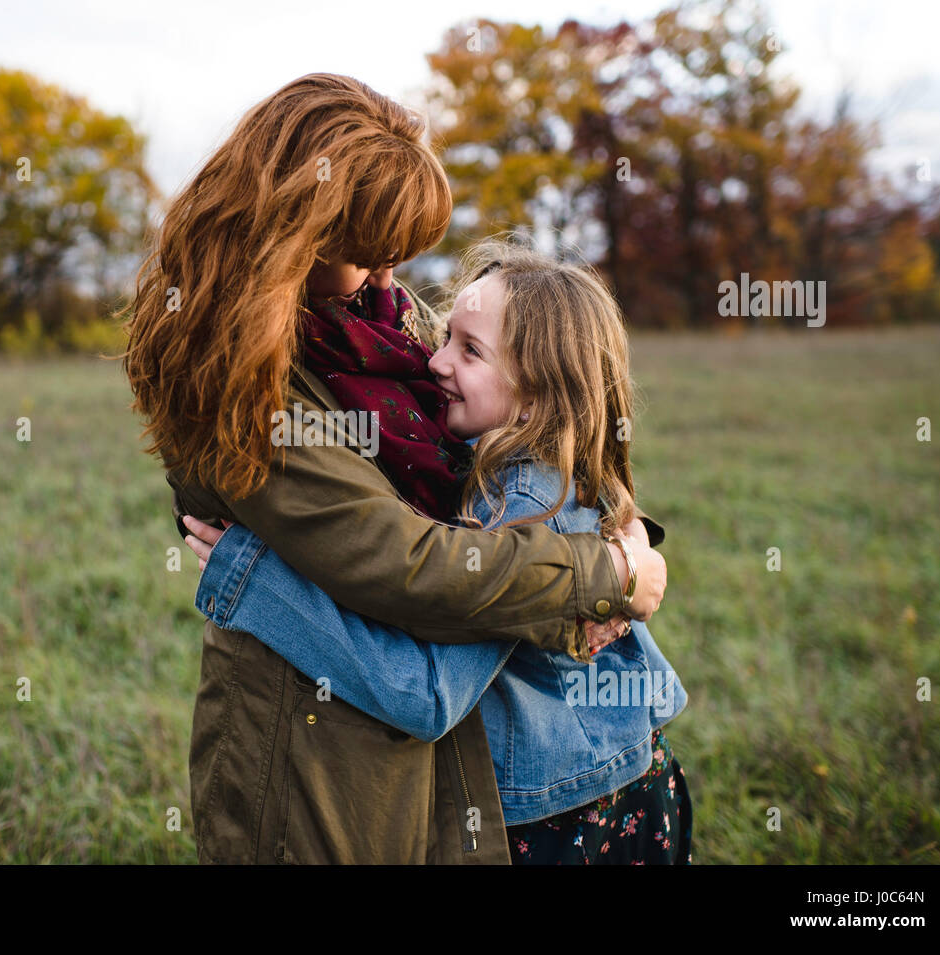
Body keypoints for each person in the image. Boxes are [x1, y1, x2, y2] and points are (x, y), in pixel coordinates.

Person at [125, 73, 667, 864]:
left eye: (395, 258)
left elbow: (535, 419)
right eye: (367, 256)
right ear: (292, 239)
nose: (391, 281)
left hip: (434, 742)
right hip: (321, 747)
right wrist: (603, 571)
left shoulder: (376, 317)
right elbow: (408, 565)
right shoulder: (238, 384)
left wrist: (616, 531)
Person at [183, 241, 691, 863]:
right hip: (626, 783)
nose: (436, 363)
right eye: (447, 337)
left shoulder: (521, 504)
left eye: (470, 351)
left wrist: (255, 584)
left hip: (571, 823)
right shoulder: (560, 461)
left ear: (539, 396)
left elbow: (425, 695)